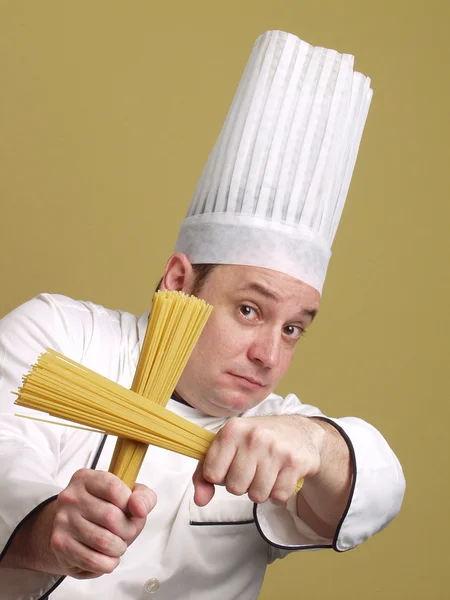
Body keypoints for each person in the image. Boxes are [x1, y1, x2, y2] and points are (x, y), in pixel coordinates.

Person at [0, 31, 405, 600]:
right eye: (248, 309)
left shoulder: (274, 434)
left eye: (292, 328)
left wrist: (318, 444)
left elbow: (376, 489)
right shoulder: (59, 337)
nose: (268, 355)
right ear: (178, 283)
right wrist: (45, 530)